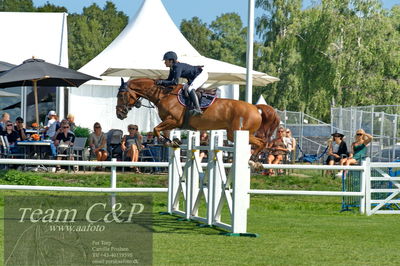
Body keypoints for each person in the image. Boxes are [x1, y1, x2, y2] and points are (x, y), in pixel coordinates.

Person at [156, 51, 209, 116]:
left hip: (202, 74)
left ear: (171, 61)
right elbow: (169, 80)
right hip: (193, 77)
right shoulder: (172, 68)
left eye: (166, 61)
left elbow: (175, 82)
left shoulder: (177, 67)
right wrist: (160, 82)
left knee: (190, 89)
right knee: (185, 87)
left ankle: (198, 109)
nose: (164, 62)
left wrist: (162, 82)